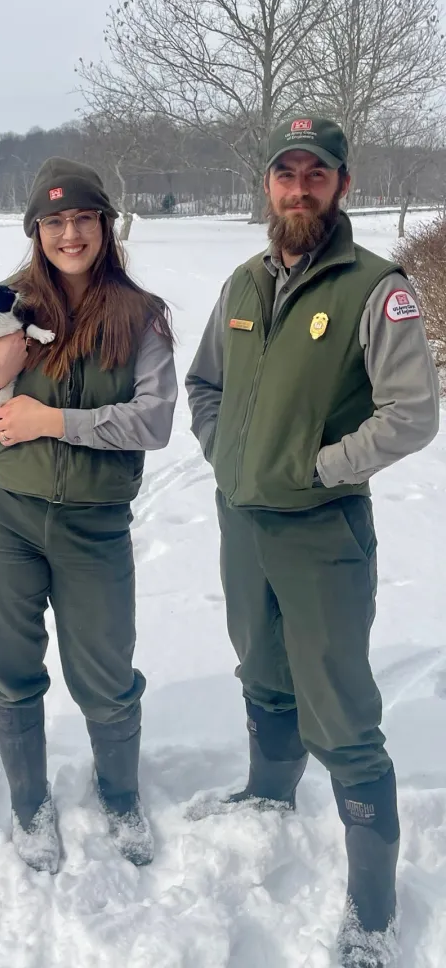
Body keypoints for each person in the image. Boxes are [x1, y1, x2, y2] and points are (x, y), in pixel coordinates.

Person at [186, 117, 439, 965]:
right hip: (242, 523)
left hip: (322, 532)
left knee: (340, 708)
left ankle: (372, 910)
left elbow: (412, 413)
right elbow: (204, 382)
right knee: (259, 665)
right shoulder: (243, 284)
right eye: (286, 174)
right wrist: (226, 453)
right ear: (267, 185)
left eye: (317, 175)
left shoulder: (375, 288)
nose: (300, 189)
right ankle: (268, 795)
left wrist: (321, 467)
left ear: (343, 185)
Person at [0, 158, 176, 872]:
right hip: (0, 519)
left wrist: (50, 421)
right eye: (55, 221)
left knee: (106, 673)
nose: (71, 233)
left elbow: (153, 421)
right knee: (10, 669)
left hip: (94, 526)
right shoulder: (1, 307)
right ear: (36, 230)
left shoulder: (141, 315)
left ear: (105, 225)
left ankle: (120, 795)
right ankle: (30, 804)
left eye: (84, 219)